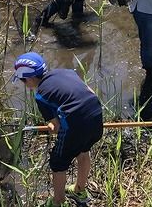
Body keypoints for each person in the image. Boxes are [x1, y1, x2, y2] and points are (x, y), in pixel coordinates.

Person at [14, 53, 103, 207]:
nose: (24, 84)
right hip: (96, 114)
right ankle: (79, 190)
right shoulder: (65, 71)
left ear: (28, 79)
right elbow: (90, 92)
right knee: (83, 152)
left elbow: (56, 127)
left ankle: (58, 202)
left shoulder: (40, 95)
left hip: (76, 126)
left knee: (58, 163)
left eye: (23, 81)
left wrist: (50, 127)